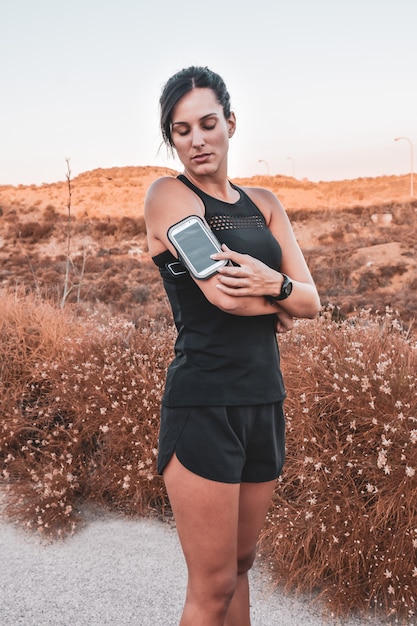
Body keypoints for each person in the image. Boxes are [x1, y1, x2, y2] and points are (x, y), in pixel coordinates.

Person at [144, 66, 320, 626]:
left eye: (207, 123)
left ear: (230, 123)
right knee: (212, 585)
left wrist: (278, 288)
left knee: (242, 567)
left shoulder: (265, 202)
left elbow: (313, 302)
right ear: (172, 138)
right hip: (204, 403)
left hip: (264, 400)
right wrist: (282, 301)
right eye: (180, 130)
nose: (196, 139)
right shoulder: (168, 195)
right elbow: (224, 296)